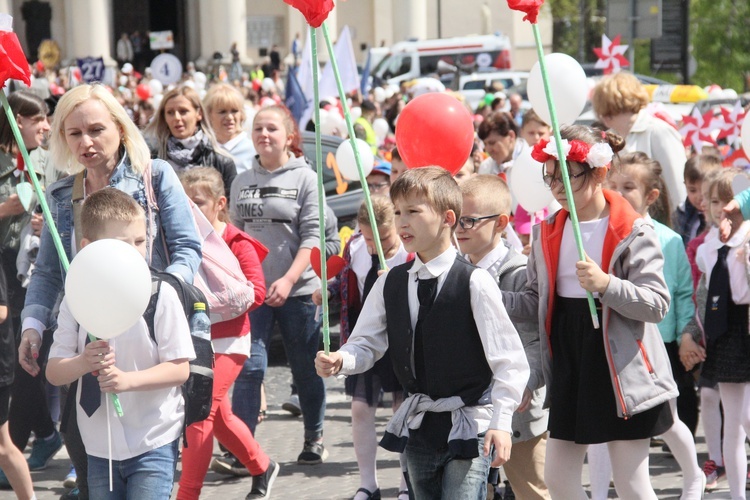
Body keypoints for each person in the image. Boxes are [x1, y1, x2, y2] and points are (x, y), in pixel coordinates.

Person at [18, 83, 202, 500]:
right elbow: (47, 272)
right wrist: (32, 325)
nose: (86, 142)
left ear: (120, 128)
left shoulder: (155, 176)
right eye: (74, 133)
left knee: (149, 449)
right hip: (85, 337)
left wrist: (156, 296)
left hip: (148, 337)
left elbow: (188, 247)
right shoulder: (61, 195)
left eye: (96, 130)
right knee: (92, 466)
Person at [316, 167, 529, 498]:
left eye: (414, 211)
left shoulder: (475, 281)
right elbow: (366, 342)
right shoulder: (392, 281)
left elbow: (510, 361)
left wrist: (501, 422)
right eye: (399, 211)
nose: (402, 222)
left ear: (447, 218)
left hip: (469, 425)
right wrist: (340, 358)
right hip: (418, 426)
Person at [501, 125, 677, 498]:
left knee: (631, 483)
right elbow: (536, 302)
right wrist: (488, 295)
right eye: (551, 178)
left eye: (568, 176)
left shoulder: (635, 229)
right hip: (570, 360)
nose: (558, 188)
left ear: (598, 172)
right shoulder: (547, 230)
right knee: (560, 479)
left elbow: (656, 303)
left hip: (621, 365)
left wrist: (606, 284)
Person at [46, 188, 195, 499]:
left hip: (153, 436)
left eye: (139, 241)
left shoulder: (159, 294)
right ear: (87, 247)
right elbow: (54, 372)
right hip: (99, 445)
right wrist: (83, 363)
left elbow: (180, 369)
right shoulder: (76, 299)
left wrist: (128, 381)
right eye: (122, 244)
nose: (134, 251)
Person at [229, 105, 327, 465]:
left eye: (272, 128)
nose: (264, 135)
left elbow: (314, 237)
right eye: (258, 128)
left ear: (289, 137)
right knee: (250, 368)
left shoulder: (305, 179)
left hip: (298, 292)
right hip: (252, 293)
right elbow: (234, 237)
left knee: (304, 369)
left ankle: (314, 435)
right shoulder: (241, 181)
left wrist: (287, 279)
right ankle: (243, 448)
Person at [605, 152, 704, 497]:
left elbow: (680, 293)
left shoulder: (669, 239)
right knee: (620, 427)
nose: (618, 192)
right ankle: (624, 486)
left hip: (658, 345)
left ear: (651, 196)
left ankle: (693, 475)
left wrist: (682, 338)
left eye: (628, 186)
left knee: (669, 420)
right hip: (620, 343)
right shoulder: (604, 231)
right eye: (612, 184)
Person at [177, 167, 279, 500]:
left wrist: (205, 303)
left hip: (229, 341)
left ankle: (187, 494)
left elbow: (257, 292)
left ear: (220, 203)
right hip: (193, 341)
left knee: (200, 411)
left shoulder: (236, 241)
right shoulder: (181, 241)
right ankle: (262, 466)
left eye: (199, 202)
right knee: (219, 417)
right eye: (185, 202)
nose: (191, 209)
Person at [457, 174, 550, 500]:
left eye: (469, 220)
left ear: (501, 223)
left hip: (518, 409)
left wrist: (529, 381)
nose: (459, 228)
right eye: (455, 218)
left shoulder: (520, 273)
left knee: (532, 489)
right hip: (471, 406)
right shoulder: (457, 269)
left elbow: (537, 340)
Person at [314, 196, 411, 500]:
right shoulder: (355, 247)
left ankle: (407, 483)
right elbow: (348, 282)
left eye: (383, 238)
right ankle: (368, 483)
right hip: (364, 337)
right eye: (369, 237)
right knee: (359, 409)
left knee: (402, 412)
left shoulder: (409, 255)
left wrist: (396, 283)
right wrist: (327, 291)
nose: (375, 245)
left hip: (399, 343)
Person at [0, 91, 63, 485]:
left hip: (35, 268)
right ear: (16, 120)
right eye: (37, 119)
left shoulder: (46, 159)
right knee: (17, 362)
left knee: (22, 359)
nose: (45, 126)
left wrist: (43, 219)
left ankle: (18, 446)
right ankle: (37, 436)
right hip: (4, 266)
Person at [682, 167, 750, 499]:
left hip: (747, 327)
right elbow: (705, 292)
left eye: (728, 201)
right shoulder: (709, 246)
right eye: (713, 201)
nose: (720, 208)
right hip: (726, 333)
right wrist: (695, 332)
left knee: (748, 417)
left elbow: (742, 291)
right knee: (734, 422)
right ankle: (737, 493)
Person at [591, 72, 687, 211]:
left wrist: (679, 222)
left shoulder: (658, 131)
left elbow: (677, 185)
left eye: (608, 108)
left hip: (657, 220)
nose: (603, 116)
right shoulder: (610, 137)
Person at [146, 85, 237, 197]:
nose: (177, 117)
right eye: (170, 112)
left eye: (183, 111)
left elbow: (228, 210)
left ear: (199, 114)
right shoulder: (152, 159)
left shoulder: (222, 162)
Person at [203, 83, 257, 175]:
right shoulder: (201, 148)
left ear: (242, 114)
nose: (229, 117)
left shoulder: (254, 149)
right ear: (209, 114)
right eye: (222, 112)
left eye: (234, 111)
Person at [673, 154, 721, 247]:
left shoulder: (720, 215)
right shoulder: (681, 213)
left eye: (706, 191)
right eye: (692, 190)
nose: (699, 196)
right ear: (685, 185)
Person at [477, 111, 527, 177]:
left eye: (492, 143)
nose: (488, 150)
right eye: (485, 144)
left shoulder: (533, 163)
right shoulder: (485, 168)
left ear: (511, 136)